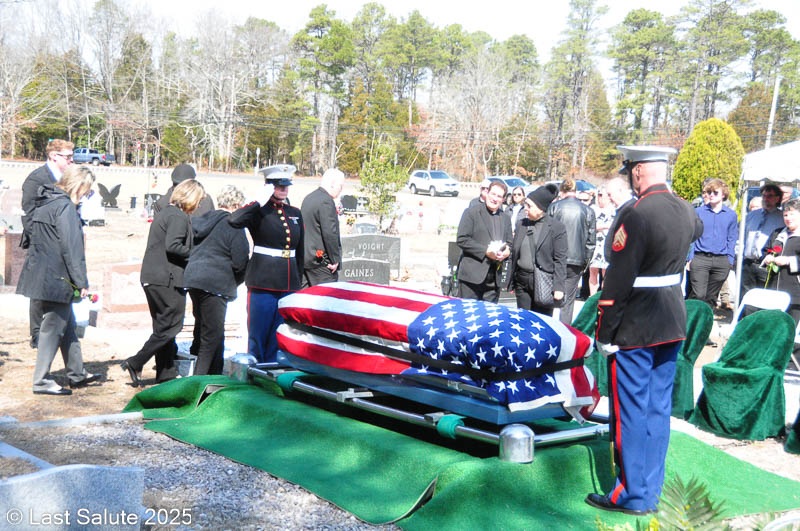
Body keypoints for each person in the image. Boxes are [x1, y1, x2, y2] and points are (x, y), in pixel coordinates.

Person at [586, 145, 703, 516]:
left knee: (631, 411)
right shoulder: (685, 208)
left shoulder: (635, 213)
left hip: (637, 324)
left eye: (631, 172)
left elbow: (618, 279)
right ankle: (650, 490)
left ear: (637, 171)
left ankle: (631, 495)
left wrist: (605, 332)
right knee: (657, 409)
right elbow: (696, 231)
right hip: (671, 319)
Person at [16, 165, 102, 395]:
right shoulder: (65, 208)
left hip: (40, 274)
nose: (87, 194)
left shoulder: (46, 202)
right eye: (87, 189)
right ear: (78, 186)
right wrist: (81, 282)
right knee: (53, 328)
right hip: (57, 278)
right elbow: (72, 249)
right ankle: (41, 380)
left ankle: (77, 373)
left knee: (68, 324)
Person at [121, 179, 206, 386]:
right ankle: (136, 361)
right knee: (172, 326)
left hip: (154, 277)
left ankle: (166, 373)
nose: (199, 205)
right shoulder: (177, 216)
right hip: (166, 279)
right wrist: (197, 254)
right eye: (199, 200)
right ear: (191, 197)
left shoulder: (167, 213)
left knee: (162, 326)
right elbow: (173, 246)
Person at [229, 164, 304, 364]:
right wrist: (257, 202)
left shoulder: (294, 212)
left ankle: (270, 370)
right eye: (279, 185)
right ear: (269, 186)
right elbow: (234, 220)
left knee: (278, 334)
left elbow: (300, 251)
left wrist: (298, 282)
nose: (284, 189)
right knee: (258, 334)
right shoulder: (259, 211)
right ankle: (255, 370)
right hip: (263, 281)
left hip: (288, 283)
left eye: (286, 185)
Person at [183, 185, 250, 375]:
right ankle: (198, 382)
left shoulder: (202, 220)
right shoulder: (233, 225)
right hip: (215, 283)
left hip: (194, 280)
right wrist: (235, 281)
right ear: (236, 205)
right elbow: (240, 261)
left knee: (212, 331)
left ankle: (215, 376)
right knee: (211, 337)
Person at [20, 139, 75, 349]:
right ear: (53, 156)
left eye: (71, 157)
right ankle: (36, 334)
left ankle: (60, 328)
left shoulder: (66, 178)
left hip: (62, 240)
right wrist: (41, 240)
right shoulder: (36, 179)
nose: (71, 161)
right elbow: (29, 215)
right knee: (38, 291)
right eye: (67, 157)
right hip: (41, 242)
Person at [508, 184, 566, 315]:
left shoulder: (556, 228)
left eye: (529, 206)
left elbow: (560, 259)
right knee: (523, 319)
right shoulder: (521, 224)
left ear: (540, 209)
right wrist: (511, 280)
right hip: (522, 281)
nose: (525, 208)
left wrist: (559, 287)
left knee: (541, 321)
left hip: (543, 282)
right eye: (525, 204)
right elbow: (515, 252)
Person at [547, 177, 596, 323]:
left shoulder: (554, 207)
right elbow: (591, 241)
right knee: (568, 302)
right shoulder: (588, 210)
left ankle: (547, 328)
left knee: (548, 297)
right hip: (576, 260)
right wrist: (585, 263)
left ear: (562, 191)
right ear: (576, 191)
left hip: (554, 258)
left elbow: (546, 234)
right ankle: (565, 330)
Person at [456, 180, 512, 303]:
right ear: (487, 193)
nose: (495, 199)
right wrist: (485, 251)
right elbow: (462, 239)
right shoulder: (471, 212)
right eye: (493, 194)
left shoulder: (505, 218)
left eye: (499, 196)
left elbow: (509, 243)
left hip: (494, 280)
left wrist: (507, 252)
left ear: (503, 199)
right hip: (471, 278)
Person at [687, 178, 738, 310]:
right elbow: (692, 235)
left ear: (723, 195)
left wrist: (729, 260)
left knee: (711, 297)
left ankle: (706, 320)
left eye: (715, 192)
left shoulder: (730, 215)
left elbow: (732, 238)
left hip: (721, 260)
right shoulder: (699, 212)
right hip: (700, 258)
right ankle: (693, 318)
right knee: (699, 295)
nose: (711, 195)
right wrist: (690, 257)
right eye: (709, 192)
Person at [301, 168, 344, 287]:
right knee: (327, 296)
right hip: (320, 262)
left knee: (305, 295)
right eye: (340, 186)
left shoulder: (309, 198)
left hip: (305, 258)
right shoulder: (326, 201)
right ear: (332, 184)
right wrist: (335, 259)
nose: (341, 190)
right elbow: (329, 233)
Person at [741, 183, 784, 295]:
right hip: (748, 264)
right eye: (764, 196)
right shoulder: (751, 215)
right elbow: (740, 236)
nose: (765, 199)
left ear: (777, 198)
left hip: (765, 265)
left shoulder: (782, 218)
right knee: (745, 297)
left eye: (770, 196)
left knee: (764, 297)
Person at [588, 186, 616, 295]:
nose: (599, 198)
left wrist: (602, 227)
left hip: (607, 244)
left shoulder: (613, 210)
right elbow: (590, 226)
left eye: (601, 195)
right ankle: (592, 296)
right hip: (594, 243)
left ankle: (604, 296)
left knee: (606, 273)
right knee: (593, 271)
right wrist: (604, 226)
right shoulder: (593, 209)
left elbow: (614, 226)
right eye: (598, 195)